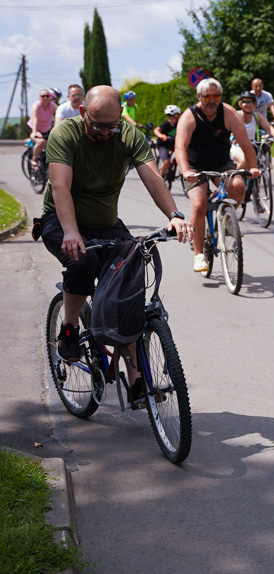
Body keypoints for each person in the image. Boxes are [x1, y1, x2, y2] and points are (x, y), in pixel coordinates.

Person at [37, 86, 192, 405]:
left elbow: (152, 177)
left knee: (129, 282)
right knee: (82, 262)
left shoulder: (128, 135)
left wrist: (174, 215)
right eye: (98, 125)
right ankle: (69, 328)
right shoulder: (64, 134)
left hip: (106, 222)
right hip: (61, 220)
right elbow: (60, 187)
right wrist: (70, 230)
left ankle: (136, 379)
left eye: (112, 125)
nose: (106, 132)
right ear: (83, 113)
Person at [174, 78, 261, 273]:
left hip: (221, 163)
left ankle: (227, 220)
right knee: (198, 204)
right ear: (199, 97)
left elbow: (246, 144)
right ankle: (198, 255)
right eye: (207, 96)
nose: (212, 101)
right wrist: (186, 170)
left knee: (238, 185)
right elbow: (180, 146)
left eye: (216, 96)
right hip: (195, 167)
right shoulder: (189, 116)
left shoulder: (228, 113)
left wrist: (253, 167)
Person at [230, 90, 274, 164]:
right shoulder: (236, 115)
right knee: (245, 160)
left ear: (254, 105)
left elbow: (268, 127)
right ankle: (236, 175)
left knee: (258, 162)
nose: (248, 104)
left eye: (251, 102)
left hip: (251, 146)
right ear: (240, 104)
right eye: (245, 102)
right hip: (236, 146)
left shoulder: (257, 116)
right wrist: (232, 137)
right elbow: (230, 130)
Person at [29, 88, 58, 170]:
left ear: (50, 97)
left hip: (46, 129)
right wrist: (35, 132)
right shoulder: (37, 105)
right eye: (43, 96)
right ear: (39, 97)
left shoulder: (52, 105)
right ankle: (34, 159)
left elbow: (59, 114)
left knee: (52, 144)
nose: (45, 98)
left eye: (47, 96)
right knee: (41, 142)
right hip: (34, 128)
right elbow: (35, 119)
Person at [153, 105, 181, 178]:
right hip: (163, 145)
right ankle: (160, 178)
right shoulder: (166, 124)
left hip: (173, 144)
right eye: (177, 114)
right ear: (174, 115)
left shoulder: (178, 124)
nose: (178, 116)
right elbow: (156, 130)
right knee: (166, 162)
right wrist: (161, 136)